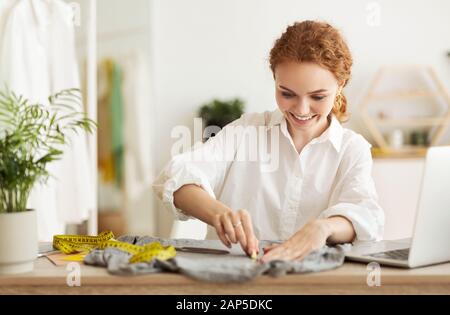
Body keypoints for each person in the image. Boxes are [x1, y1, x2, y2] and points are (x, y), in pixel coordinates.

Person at [153, 20, 384, 262]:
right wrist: (218, 213)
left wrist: (323, 227)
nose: (301, 109)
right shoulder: (247, 131)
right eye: (287, 94)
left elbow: (365, 217)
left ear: (341, 85)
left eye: (317, 96)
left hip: (313, 282)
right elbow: (174, 178)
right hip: (232, 281)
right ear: (275, 80)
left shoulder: (351, 149)